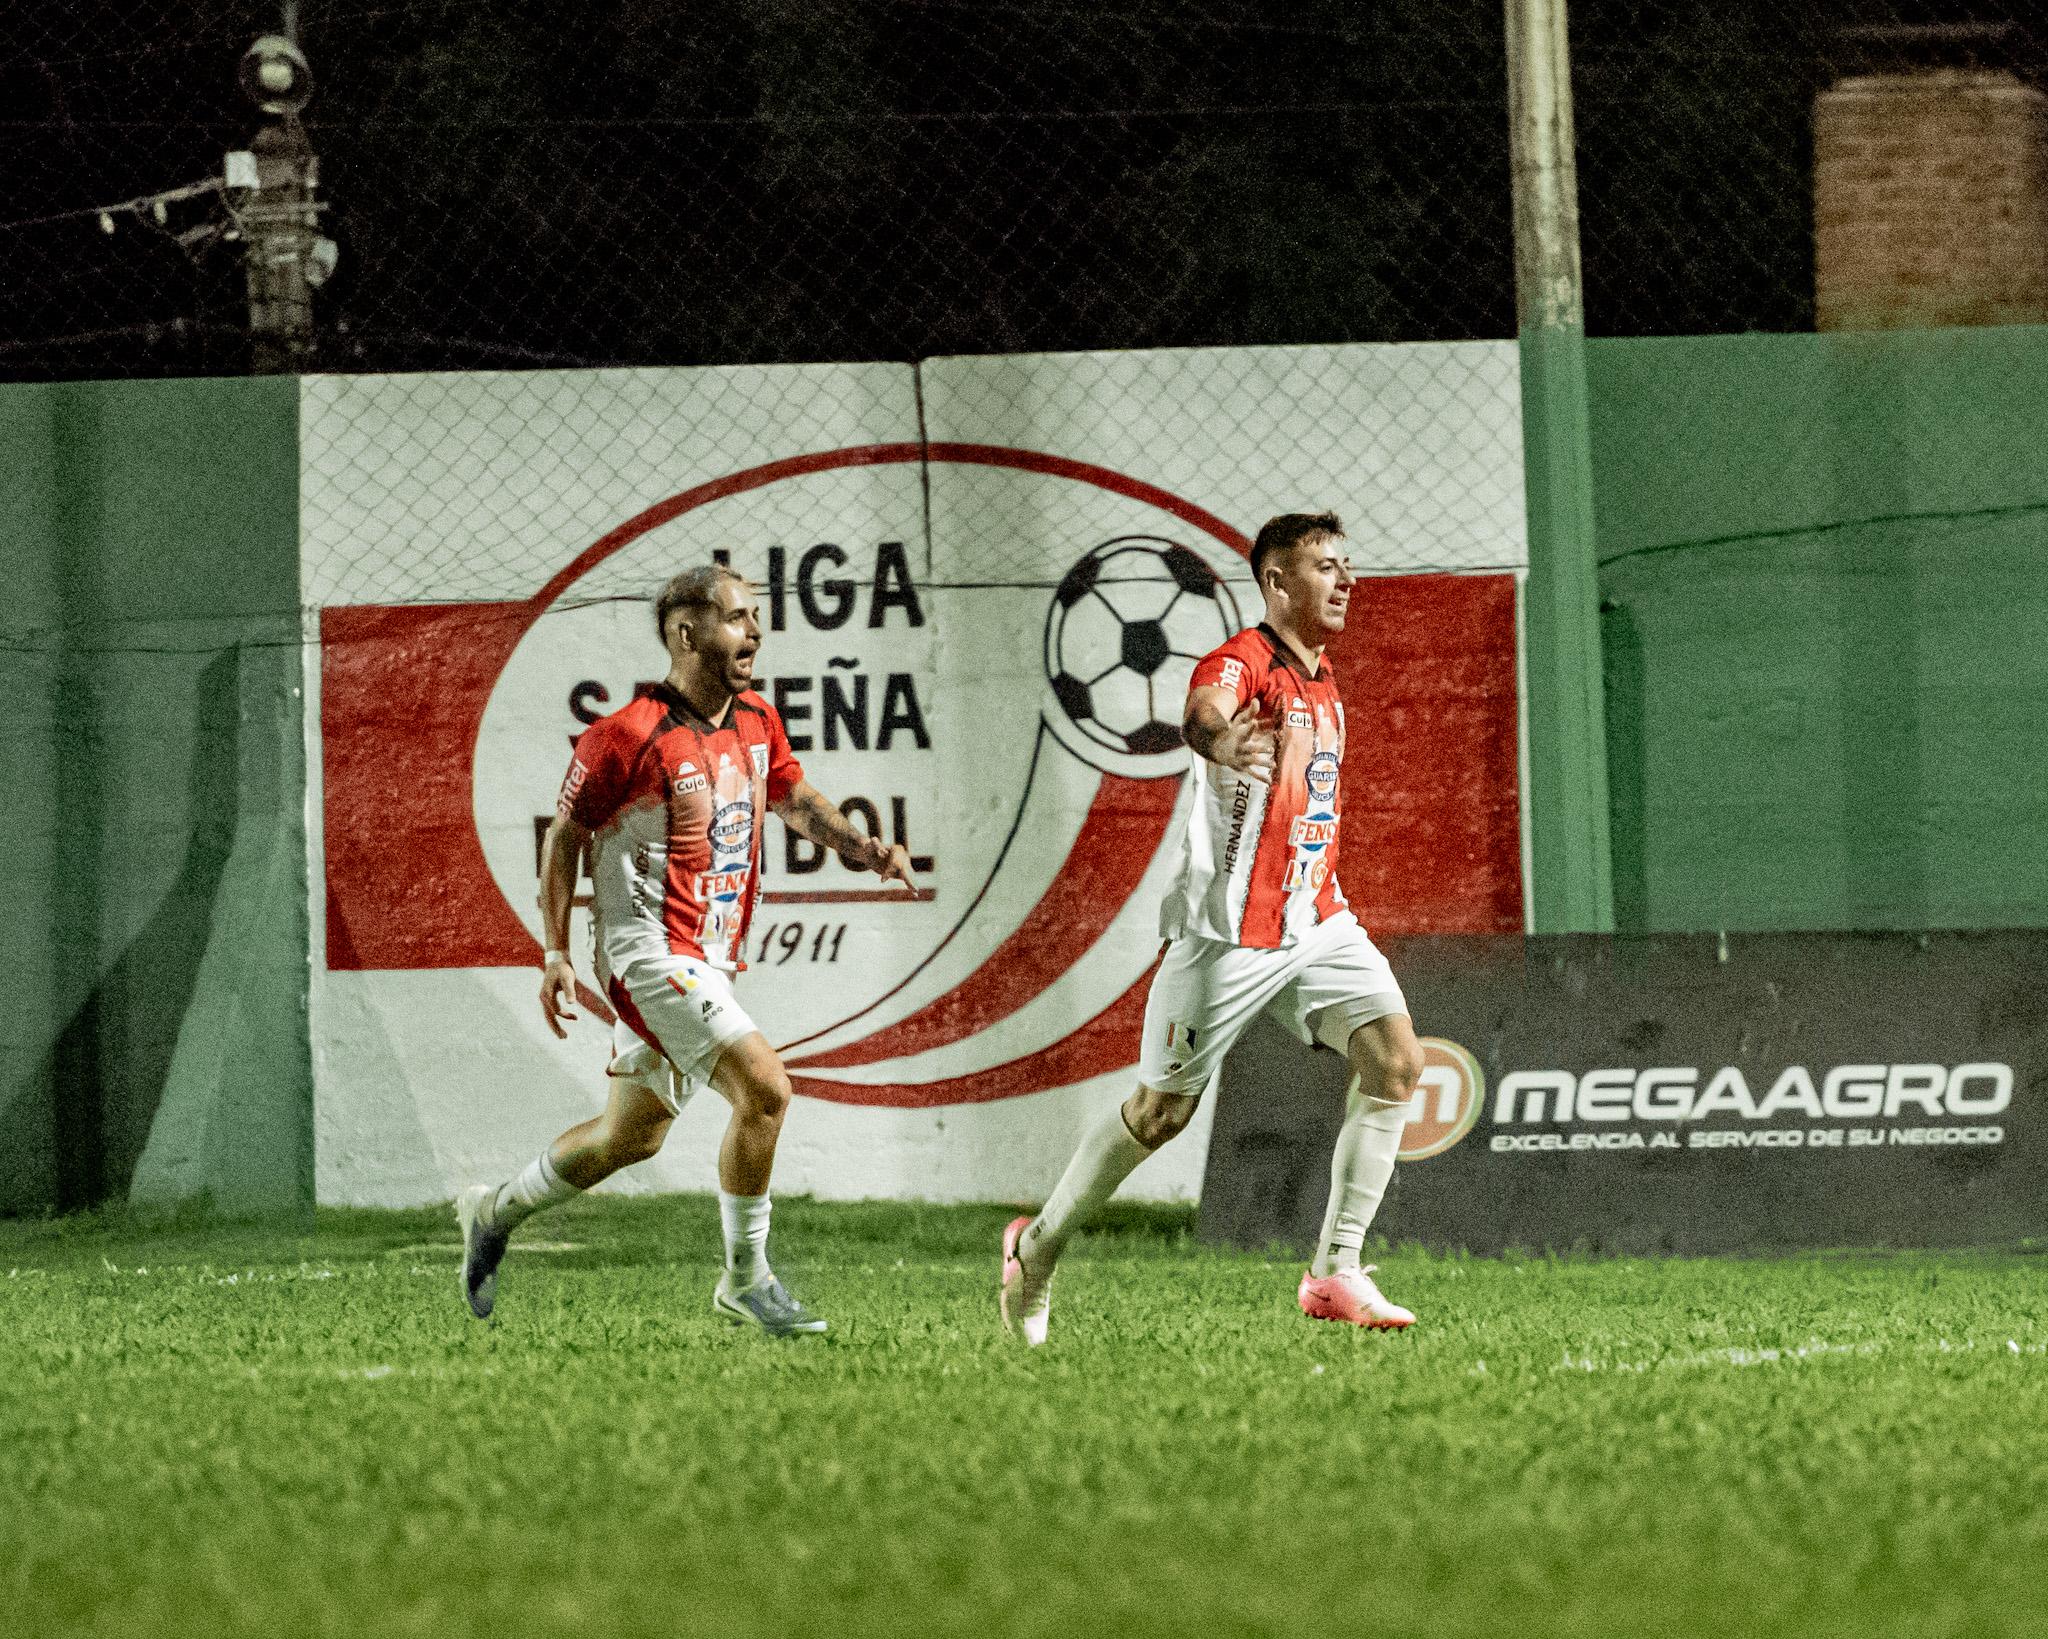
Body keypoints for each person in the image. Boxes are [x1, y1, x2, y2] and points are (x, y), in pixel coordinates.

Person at [458, 563, 917, 1335]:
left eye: (755, 617)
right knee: (765, 1089)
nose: (755, 631)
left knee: (628, 1136)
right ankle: (747, 1279)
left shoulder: (757, 720)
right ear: (685, 632)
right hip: (646, 954)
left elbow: (795, 799)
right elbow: (565, 837)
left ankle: (493, 1212)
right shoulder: (625, 736)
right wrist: (555, 953)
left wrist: (865, 849)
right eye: (737, 617)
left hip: (709, 956)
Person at [1001, 512, 1425, 1346]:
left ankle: (1335, 1270)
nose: (1345, 580)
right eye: (1325, 567)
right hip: (1229, 935)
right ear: (1276, 582)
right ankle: (1036, 1247)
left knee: (1398, 1060)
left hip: (1317, 920)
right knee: (1161, 1113)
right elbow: (1205, 707)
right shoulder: (1245, 659)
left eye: (1347, 565)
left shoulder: (1323, 678)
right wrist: (1218, 739)